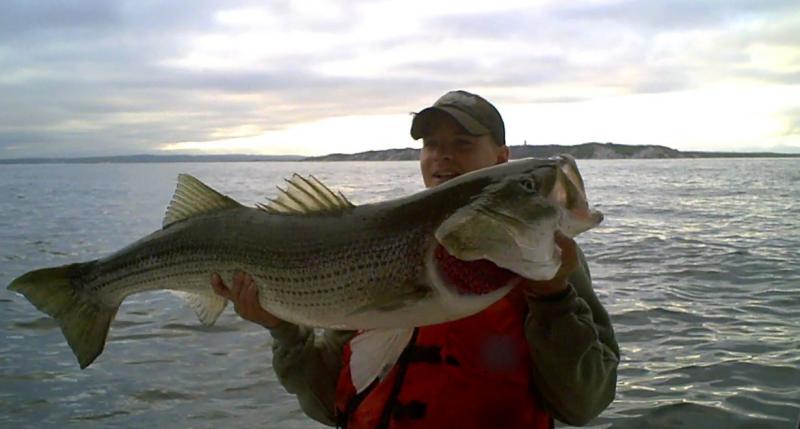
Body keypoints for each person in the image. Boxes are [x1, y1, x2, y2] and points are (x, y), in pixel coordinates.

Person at [211, 90, 620, 428]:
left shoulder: (550, 263)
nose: (442, 156)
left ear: (501, 157)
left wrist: (553, 296)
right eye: (431, 145)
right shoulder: (369, 244)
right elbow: (327, 402)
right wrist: (283, 328)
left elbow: (584, 404)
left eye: (462, 144)